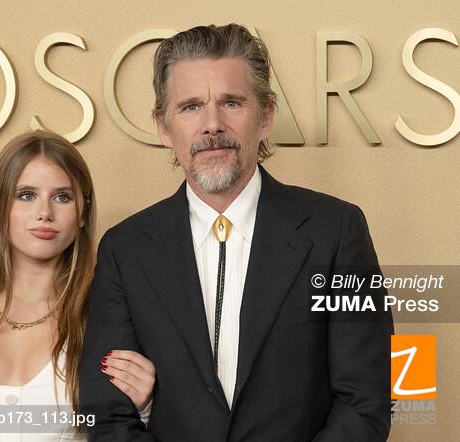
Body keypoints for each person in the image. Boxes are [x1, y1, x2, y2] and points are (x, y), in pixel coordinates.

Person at [80, 24, 394, 441]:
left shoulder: (337, 231)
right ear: (163, 127)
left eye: (231, 102)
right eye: (191, 106)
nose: (212, 124)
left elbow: (369, 401)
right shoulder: (125, 250)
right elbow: (105, 416)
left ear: (266, 117)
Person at [0, 131, 155, 441]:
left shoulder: (107, 317)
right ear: (0, 207)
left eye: (62, 197)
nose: (44, 213)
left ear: (82, 213)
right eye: (26, 195)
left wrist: (145, 410)